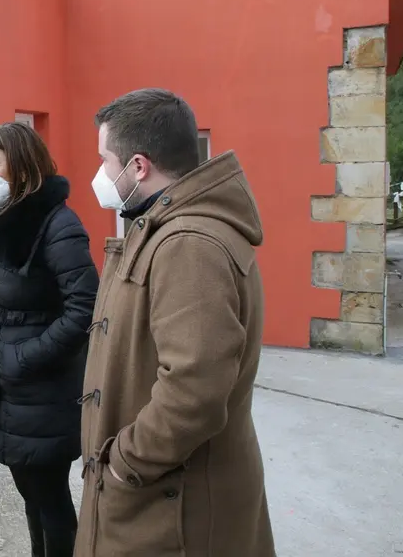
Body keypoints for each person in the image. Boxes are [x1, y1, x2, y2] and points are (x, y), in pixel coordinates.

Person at [78, 88, 275, 556]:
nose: (101, 174)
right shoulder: (171, 229)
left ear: (139, 167)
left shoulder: (189, 244)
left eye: (106, 160)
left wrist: (126, 462)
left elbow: (194, 390)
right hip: (164, 496)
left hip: (173, 507)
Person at [0, 122, 97, 557]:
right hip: (12, 384)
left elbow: (85, 307)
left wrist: (24, 357)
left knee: (51, 500)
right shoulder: (4, 217)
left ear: (20, 170)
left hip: (43, 384)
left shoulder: (59, 224)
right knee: (32, 494)